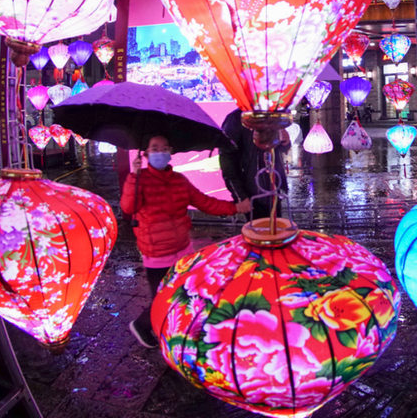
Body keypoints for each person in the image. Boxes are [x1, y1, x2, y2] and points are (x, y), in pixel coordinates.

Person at [120, 134, 250, 348]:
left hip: (183, 249)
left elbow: (205, 202)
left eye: (164, 148)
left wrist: (235, 207)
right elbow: (128, 207)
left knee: (185, 291)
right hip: (156, 253)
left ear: (170, 152)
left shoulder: (179, 180)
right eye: (155, 148)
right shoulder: (139, 180)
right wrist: (134, 177)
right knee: (163, 298)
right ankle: (143, 325)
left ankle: (179, 330)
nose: (160, 152)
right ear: (145, 154)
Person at [219, 109, 290, 220]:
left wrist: (285, 142)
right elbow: (227, 159)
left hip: (273, 187)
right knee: (258, 232)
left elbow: (277, 148)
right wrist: (240, 196)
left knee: (276, 230)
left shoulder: (270, 113)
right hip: (251, 191)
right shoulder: (235, 119)